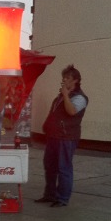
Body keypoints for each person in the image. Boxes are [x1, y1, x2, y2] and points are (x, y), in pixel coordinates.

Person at [35, 64, 88, 207]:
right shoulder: (61, 96)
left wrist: (65, 95)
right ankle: (50, 194)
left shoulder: (80, 98)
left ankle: (62, 198)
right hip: (53, 135)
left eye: (68, 78)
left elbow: (71, 112)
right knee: (50, 166)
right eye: (63, 77)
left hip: (67, 137)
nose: (64, 80)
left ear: (75, 80)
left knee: (64, 167)